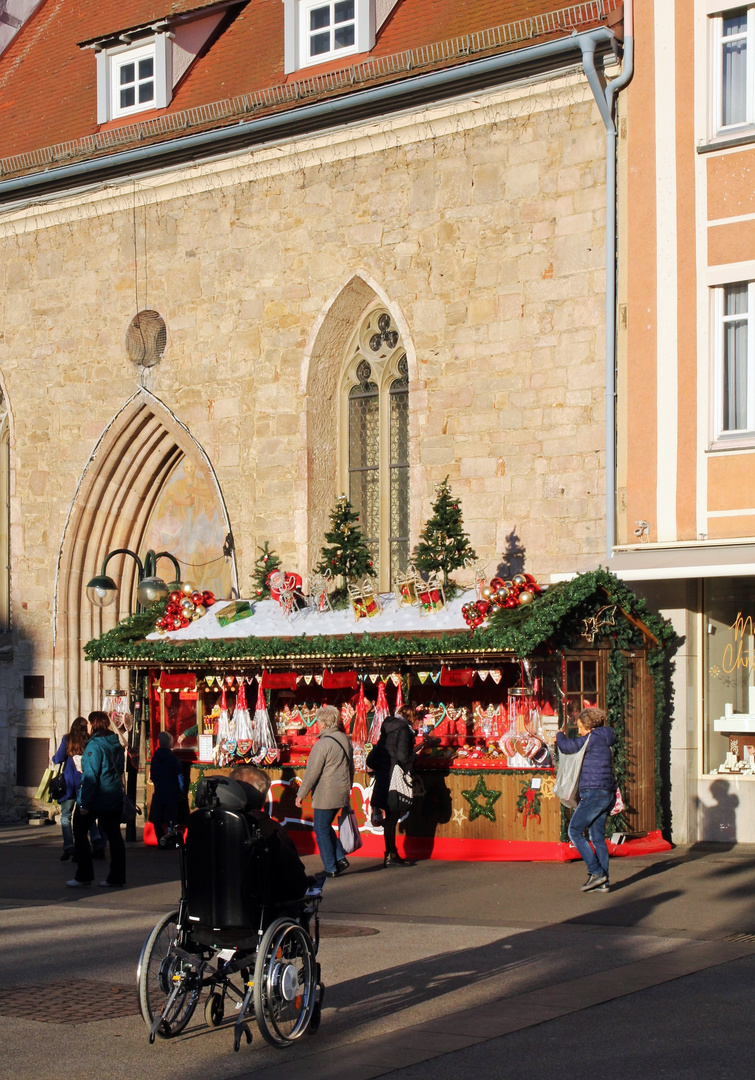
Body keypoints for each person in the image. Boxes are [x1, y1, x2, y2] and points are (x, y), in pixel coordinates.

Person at [556, 706, 617, 893]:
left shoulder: (591, 739)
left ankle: (596, 872)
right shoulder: (604, 738)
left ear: (589, 727)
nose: (580, 731)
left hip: (594, 792)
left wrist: (559, 734)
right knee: (597, 837)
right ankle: (603, 881)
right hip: (606, 792)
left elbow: (566, 747)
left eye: (581, 727)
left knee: (574, 830)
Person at [231, 765, 311, 902]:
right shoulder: (272, 830)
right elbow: (296, 882)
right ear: (262, 799)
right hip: (259, 909)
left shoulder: (211, 824)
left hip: (213, 906)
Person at [67, 711, 126, 889]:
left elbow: (91, 777)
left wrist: (84, 803)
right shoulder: (115, 743)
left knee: (79, 829)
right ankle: (117, 876)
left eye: (89, 724)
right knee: (114, 836)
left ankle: (84, 874)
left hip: (98, 797)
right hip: (113, 795)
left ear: (94, 725)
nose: (88, 728)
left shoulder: (94, 746)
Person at [295, 705, 354, 878]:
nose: (317, 723)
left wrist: (301, 794)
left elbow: (312, 772)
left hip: (325, 793)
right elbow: (351, 767)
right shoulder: (344, 739)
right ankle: (339, 858)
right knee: (326, 826)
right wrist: (347, 787)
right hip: (341, 791)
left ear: (324, 722)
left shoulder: (322, 744)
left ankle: (330, 867)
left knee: (320, 829)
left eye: (319, 720)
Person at [367, 706, 416, 868]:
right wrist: (416, 752)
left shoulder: (388, 726)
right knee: (392, 818)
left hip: (383, 775)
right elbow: (403, 756)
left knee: (390, 818)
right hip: (393, 779)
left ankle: (390, 853)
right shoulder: (403, 730)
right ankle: (391, 854)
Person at [53, 716, 105, 862]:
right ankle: (97, 840)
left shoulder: (67, 739)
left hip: (69, 783)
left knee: (65, 817)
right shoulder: (89, 742)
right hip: (85, 783)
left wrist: (55, 759)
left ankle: (69, 846)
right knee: (87, 815)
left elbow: (58, 758)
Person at [150, 730, 185, 842]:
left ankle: (160, 839)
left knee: (158, 818)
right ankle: (170, 839)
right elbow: (180, 776)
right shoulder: (173, 758)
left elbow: (153, 775)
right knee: (171, 818)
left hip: (159, 791)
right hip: (172, 791)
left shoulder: (155, 758)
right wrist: (181, 790)